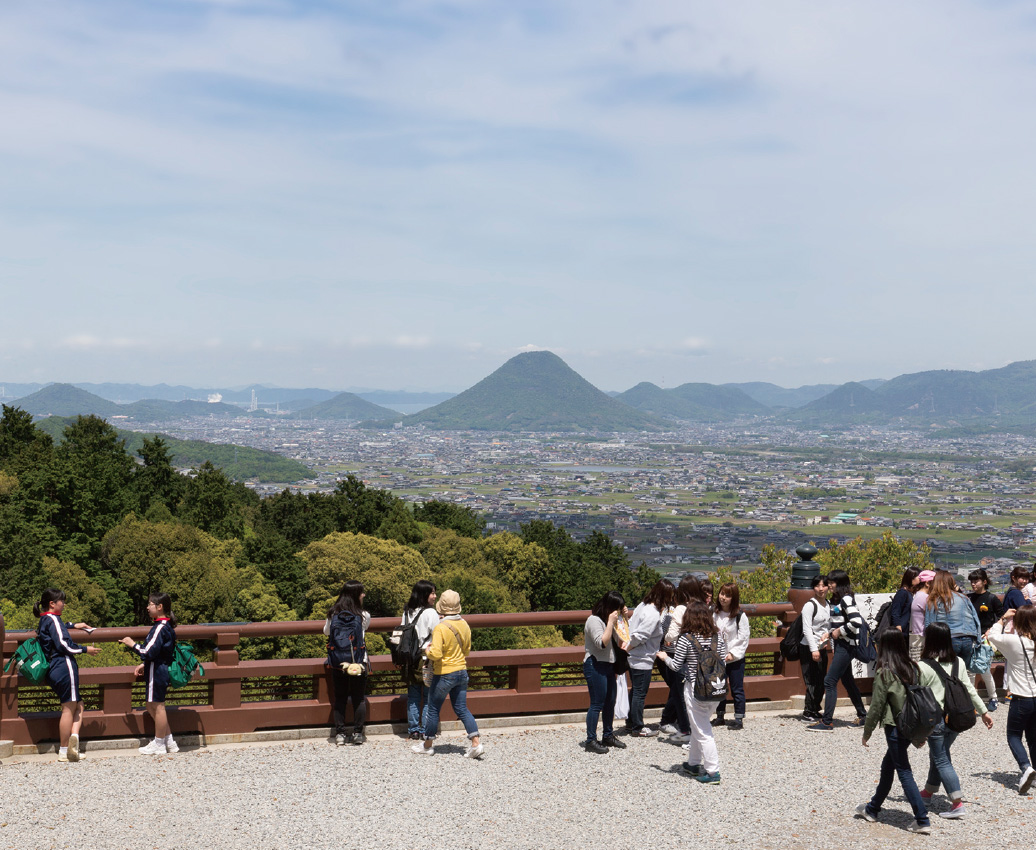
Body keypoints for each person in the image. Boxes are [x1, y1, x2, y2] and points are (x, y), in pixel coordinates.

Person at [855, 630, 937, 834]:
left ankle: (922, 819)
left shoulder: (886, 672)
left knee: (903, 771)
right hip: (911, 725)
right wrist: (920, 734)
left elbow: (876, 705)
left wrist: (867, 732)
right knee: (888, 765)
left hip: (895, 727)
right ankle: (872, 809)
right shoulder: (913, 668)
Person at [919, 622, 994, 818]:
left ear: (930, 640)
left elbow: (917, 698)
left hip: (935, 720)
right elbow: (970, 689)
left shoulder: (923, 666)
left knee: (942, 759)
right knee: (940, 755)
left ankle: (957, 803)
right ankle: (927, 793)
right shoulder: (959, 662)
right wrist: (984, 711)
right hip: (956, 719)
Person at [657, 600, 727, 784]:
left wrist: (664, 657)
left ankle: (713, 772)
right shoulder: (718, 637)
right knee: (699, 725)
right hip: (716, 688)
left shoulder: (685, 639)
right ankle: (693, 763)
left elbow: (676, 665)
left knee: (703, 730)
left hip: (695, 689)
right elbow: (723, 662)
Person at [412, 590, 483, 759]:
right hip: (461, 671)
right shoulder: (465, 624)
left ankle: (427, 745)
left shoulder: (440, 627)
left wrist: (427, 649)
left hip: (444, 673)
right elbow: (466, 650)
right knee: (461, 708)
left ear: (442, 607)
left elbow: (436, 654)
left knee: (433, 709)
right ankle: (476, 743)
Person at [33, 588, 100, 762]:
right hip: (63, 665)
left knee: (78, 705)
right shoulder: (53, 620)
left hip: (54, 667)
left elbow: (56, 628)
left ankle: (73, 742)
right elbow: (64, 644)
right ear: (52, 604)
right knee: (69, 708)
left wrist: (73, 625)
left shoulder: (45, 618)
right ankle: (64, 750)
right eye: (61, 601)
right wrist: (86, 649)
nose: (64, 603)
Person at [807, 570, 867, 732]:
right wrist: (830, 634)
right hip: (842, 645)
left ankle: (827, 722)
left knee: (829, 681)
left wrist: (839, 632)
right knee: (847, 681)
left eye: (832, 583)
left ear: (840, 583)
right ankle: (863, 716)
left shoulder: (846, 599)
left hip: (846, 646)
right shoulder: (838, 600)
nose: (829, 586)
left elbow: (856, 621)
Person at [985, 606, 1036, 794]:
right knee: (1033, 738)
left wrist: (1003, 619)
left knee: (1013, 736)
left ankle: (1026, 767)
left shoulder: (1015, 642)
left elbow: (992, 635)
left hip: (1021, 697)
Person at [120, 592, 178, 755]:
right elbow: (157, 652)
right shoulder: (165, 626)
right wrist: (144, 663)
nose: (147, 607)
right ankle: (169, 741)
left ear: (159, 607)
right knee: (152, 705)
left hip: (157, 670)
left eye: (150, 604)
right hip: (158, 667)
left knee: (157, 706)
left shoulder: (160, 627)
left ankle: (159, 744)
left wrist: (132, 644)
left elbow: (147, 651)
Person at [623, 579, 674, 738]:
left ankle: (631, 722)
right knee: (640, 692)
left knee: (635, 691)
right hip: (642, 658)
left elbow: (631, 624)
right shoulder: (652, 613)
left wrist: (627, 643)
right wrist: (629, 646)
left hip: (634, 657)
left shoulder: (641, 606)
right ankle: (638, 726)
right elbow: (641, 636)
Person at [324, 581, 370, 746]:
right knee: (358, 698)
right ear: (356, 595)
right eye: (362, 592)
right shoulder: (363, 615)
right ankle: (358, 733)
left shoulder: (333, 613)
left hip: (338, 662)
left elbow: (326, 632)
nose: (364, 595)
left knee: (340, 698)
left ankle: (340, 734)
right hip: (358, 662)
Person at [581, 591, 627, 753]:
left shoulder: (611, 621)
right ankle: (590, 740)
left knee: (610, 702)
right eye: (617, 609)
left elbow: (622, 639)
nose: (617, 612)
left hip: (608, 665)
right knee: (597, 704)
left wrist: (624, 621)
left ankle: (608, 735)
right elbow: (602, 643)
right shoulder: (593, 620)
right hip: (595, 664)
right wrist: (610, 623)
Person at [657, 577, 698, 741]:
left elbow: (670, 635)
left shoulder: (680, 609)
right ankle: (694, 728)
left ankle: (685, 729)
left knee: (680, 692)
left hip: (679, 653)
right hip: (698, 656)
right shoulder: (702, 608)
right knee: (691, 694)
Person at [400, 580, 441, 740]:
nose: (434, 596)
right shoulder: (430, 613)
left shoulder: (407, 611)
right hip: (426, 657)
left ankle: (413, 730)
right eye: (432, 593)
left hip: (409, 658)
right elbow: (437, 634)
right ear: (424, 595)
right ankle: (426, 730)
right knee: (429, 695)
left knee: (413, 695)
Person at [924, 570, 982, 671]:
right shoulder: (964, 597)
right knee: (963, 673)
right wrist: (978, 640)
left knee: (948, 674)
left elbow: (930, 625)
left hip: (948, 640)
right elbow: (975, 619)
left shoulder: (934, 599)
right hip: (968, 638)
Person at [712, 582, 750, 730]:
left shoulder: (740, 616)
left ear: (733, 598)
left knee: (736, 688)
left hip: (735, 659)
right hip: (717, 657)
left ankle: (739, 717)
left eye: (727, 595)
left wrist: (732, 654)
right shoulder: (713, 613)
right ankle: (720, 715)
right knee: (718, 687)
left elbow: (743, 638)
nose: (723, 598)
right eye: (722, 594)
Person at [968, 568, 1003, 710]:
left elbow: (1002, 617)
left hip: (985, 638)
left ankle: (993, 697)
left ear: (984, 582)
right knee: (969, 670)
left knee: (985, 669)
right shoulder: (968, 598)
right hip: (970, 637)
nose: (973, 584)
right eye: (971, 581)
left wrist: (991, 630)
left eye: (976, 581)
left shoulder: (991, 598)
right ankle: (971, 700)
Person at [799, 574, 831, 723]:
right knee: (811, 680)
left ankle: (816, 708)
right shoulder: (810, 605)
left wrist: (827, 636)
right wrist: (814, 649)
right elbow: (807, 629)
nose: (820, 589)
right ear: (813, 588)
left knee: (821, 679)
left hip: (822, 646)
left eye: (823, 585)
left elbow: (827, 626)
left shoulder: (827, 604)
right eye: (817, 586)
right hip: (808, 647)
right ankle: (808, 711)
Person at [910, 570, 936, 661]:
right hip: (923, 637)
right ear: (927, 583)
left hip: (917, 636)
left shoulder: (918, 595)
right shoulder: (924, 598)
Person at [890, 568, 921, 633]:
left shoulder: (909, 593)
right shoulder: (902, 593)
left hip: (905, 630)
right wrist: (898, 628)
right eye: (919, 578)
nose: (920, 580)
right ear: (912, 578)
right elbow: (895, 612)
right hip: (901, 631)